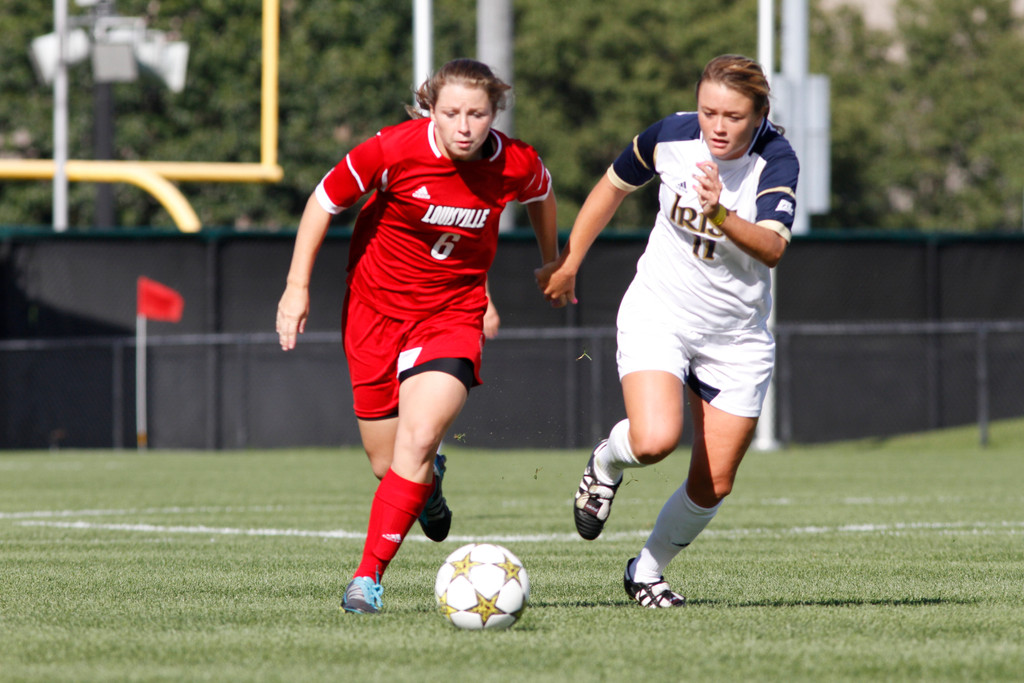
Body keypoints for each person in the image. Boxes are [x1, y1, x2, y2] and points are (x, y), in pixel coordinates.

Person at [277, 58, 560, 614]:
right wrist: (295, 286)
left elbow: (542, 195)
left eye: (476, 114)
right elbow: (322, 202)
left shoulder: (514, 161)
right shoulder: (391, 150)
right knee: (389, 466)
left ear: (493, 113)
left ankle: (367, 580)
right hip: (373, 315)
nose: (463, 125)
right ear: (431, 107)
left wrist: (554, 261)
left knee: (419, 437)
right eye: (451, 112)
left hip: (452, 315)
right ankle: (428, 489)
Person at [537, 54, 799, 608]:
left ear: (759, 114)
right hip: (661, 313)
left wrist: (720, 213)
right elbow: (611, 187)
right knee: (655, 440)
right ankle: (607, 462)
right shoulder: (672, 136)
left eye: (732, 115)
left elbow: (773, 249)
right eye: (709, 112)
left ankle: (645, 572)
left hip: (737, 337)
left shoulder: (776, 160)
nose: (718, 126)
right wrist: (569, 261)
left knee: (714, 484)